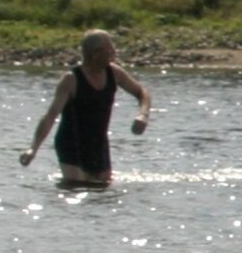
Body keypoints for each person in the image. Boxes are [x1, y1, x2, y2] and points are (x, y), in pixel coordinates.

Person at [21, 30, 153, 186]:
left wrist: (143, 114)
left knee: (102, 190)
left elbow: (142, 92)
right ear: (95, 53)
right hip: (71, 143)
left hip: (99, 143)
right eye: (109, 49)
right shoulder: (71, 80)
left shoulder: (114, 73)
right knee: (75, 186)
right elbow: (51, 116)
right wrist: (33, 149)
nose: (114, 53)